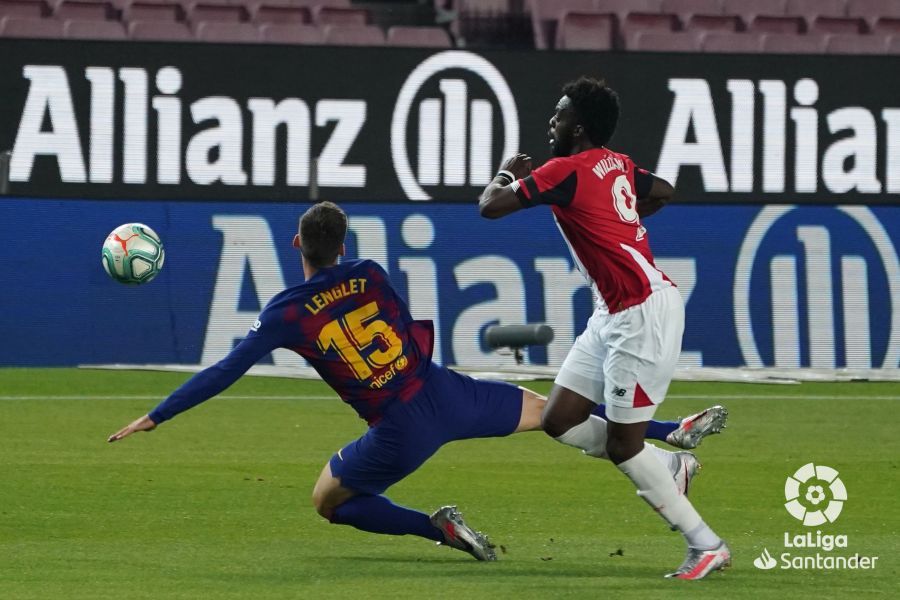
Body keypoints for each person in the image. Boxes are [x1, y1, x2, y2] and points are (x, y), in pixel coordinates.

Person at [108, 201, 725, 562]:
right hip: (445, 392)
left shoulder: (286, 314)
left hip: (400, 427)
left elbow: (225, 371)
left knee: (329, 502)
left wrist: (157, 414)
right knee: (551, 413)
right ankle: (668, 437)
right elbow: (403, 326)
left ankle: (436, 527)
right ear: (344, 243)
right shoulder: (371, 273)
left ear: (297, 243)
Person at [477, 77, 731, 579]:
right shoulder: (616, 164)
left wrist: (506, 174)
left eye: (560, 113)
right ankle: (670, 466)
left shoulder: (563, 171)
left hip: (641, 312)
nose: (552, 121)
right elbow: (664, 190)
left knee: (622, 445)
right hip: (612, 312)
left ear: (580, 126)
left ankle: (706, 544)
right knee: (558, 419)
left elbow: (489, 207)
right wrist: (623, 222)